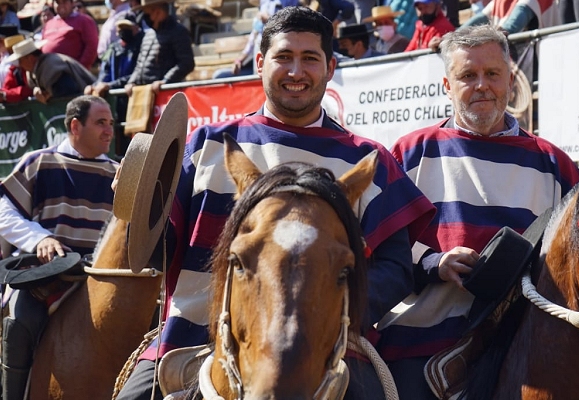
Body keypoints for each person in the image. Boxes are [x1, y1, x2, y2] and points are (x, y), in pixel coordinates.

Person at [113, 6, 435, 400]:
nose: (296, 71)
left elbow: (395, 268)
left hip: (327, 350)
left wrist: (332, 315)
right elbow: (155, 251)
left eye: (310, 59)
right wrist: (139, 200)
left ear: (331, 68)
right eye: (284, 57)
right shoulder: (206, 145)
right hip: (194, 336)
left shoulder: (370, 161)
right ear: (261, 63)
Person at [381, 25, 579, 399]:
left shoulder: (556, 164)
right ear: (447, 85)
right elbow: (377, 255)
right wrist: (434, 264)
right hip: (421, 343)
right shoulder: (410, 153)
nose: (481, 85)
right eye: (467, 76)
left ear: (510, 79)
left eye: (492, 74)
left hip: (533, 346)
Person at [0, 95, 118, 400]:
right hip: (43, 275)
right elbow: (4, 213)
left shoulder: (119, 175)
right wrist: (41, 238)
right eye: (101, 123)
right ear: (75, 126)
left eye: (111, 123)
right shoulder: (39, 161)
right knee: (22, 318)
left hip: (97, 277)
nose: (109, 131)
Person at [123, 0, 194, 96]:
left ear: (158, 12)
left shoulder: (178, 32)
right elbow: (140, 64)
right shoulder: (148, 34)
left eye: (147, 13)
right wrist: (131, 82)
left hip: (166, 95)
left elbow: (186, 62)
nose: (145, 17)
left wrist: (166, 81)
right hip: (145, 94)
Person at [7, 38, 95, 104]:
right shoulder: (33, 70)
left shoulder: (52, 65)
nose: (20, 64)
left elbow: (68, 90)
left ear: (30, 58)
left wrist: (50, 95)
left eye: (21, 61)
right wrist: (38, 91)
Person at [86, 17, 143, 96]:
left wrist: (111, 85)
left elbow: (138, 73)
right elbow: (106, 73)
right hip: (115, 95)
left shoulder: (142, 46)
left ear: (136, 28)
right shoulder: (114, 48)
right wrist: (95, 86)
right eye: (121, 28)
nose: (123, 31)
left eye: (127, 27)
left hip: (132, 92)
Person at [41, 0, 99, 69]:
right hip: (50, 71)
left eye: (64, 2)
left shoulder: (84, 20)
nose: (61, 5)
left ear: (72, 3)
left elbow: (92, 45)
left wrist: (80, 68)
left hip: (72, 72)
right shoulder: (49, 24)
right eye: (58, 3)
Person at [0, 34, 32, 103]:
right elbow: (6, 88)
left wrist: (6, 95)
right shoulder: (15, 69)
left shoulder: (35, 66)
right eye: (10, 52)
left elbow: (31, 90)